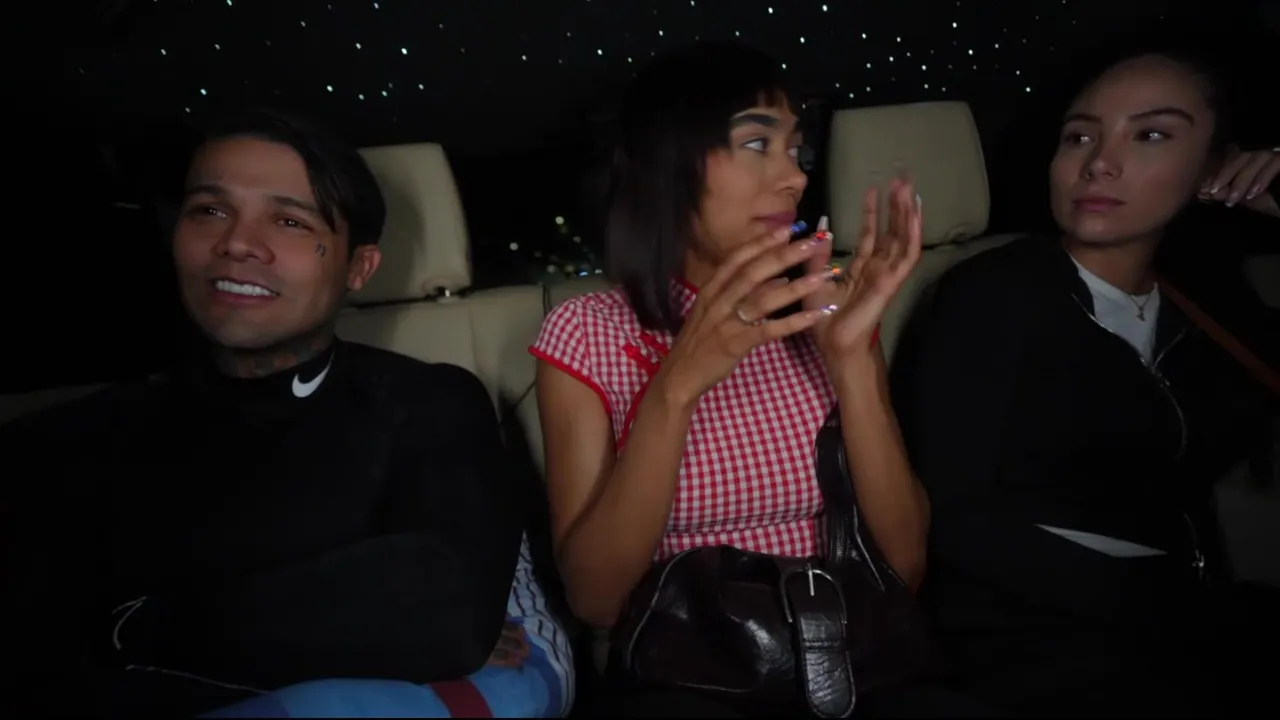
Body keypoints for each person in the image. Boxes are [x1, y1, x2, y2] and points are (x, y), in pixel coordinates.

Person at [0, 108, 529, 718]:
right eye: (209, 210)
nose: (236, 243)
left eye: (290, 220)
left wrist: (136, 625)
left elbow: (444, 616)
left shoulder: (426, 404)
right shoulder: (72, 438)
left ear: (359, 267)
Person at [530, 42, 963, 718]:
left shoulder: (829, 312)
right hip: (689, 670)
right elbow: (598, 600)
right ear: (668, 161)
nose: (793, 178)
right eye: (757, 144)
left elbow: (903, 567)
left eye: (797, 152)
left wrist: (853, 363)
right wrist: (675, 389)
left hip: (849, 652)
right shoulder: (586, 333)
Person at [892, 43, 1280, 717]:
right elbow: (954, 521)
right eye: (1079, 136)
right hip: (1036, 639)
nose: (1099, 161)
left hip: (1180, 617)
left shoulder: (1204, 297)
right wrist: (1163, 600)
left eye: (1151, 135)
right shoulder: (992, 293)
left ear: (1216, 167)